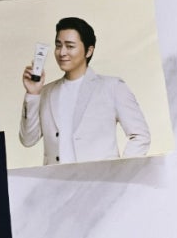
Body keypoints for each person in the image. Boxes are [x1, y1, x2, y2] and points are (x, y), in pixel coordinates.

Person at [19, 17, 150, 165]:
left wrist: (119, 171)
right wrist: (32, 94)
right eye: (58, 45)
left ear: (88, 51)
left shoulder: (112, 87)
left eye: (70, 46)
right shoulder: (46, 92)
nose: (62, 52)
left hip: (98, 178)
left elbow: (140, 136)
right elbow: (28, 140)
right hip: (55, 178)